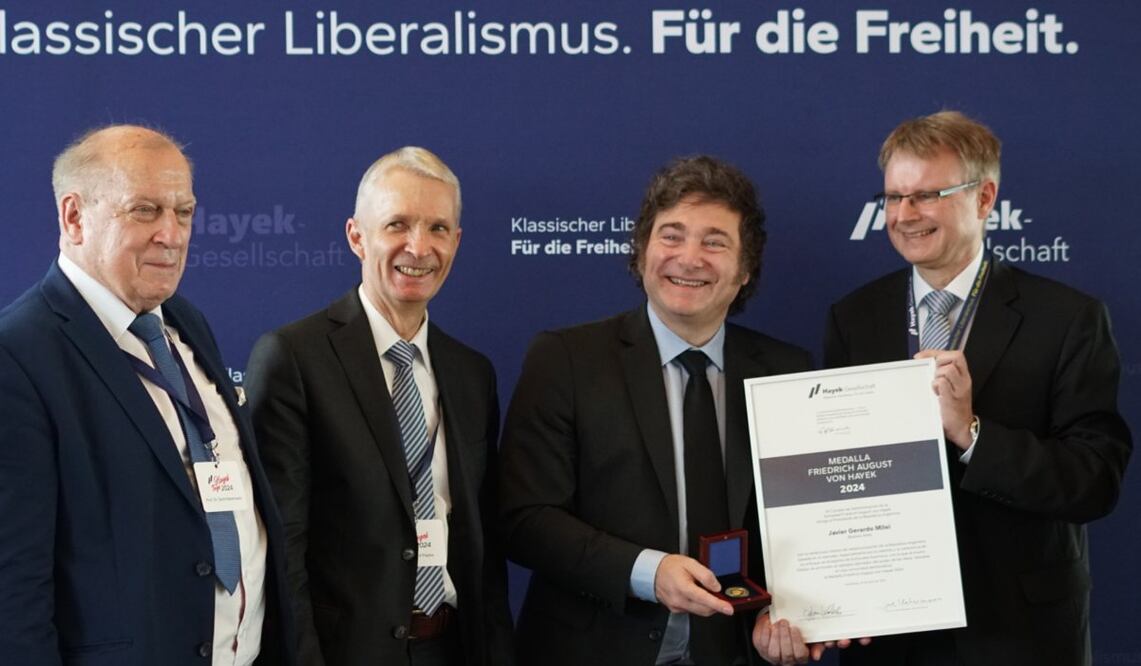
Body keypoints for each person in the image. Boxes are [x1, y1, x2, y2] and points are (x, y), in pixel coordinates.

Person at [825, 110, 1132, 665]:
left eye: (927, 195)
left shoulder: (1067, 318)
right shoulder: (854, 317)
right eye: (894, 197)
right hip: (891, 634)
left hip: (1020, 631)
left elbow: (1095, 482)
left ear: (985, 198)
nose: (905, 215)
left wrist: (972, 434)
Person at [499, 155, 824, 665]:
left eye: (714, 241)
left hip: (735, 654)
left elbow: (804, 522)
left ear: (744, 271)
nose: (689, 257)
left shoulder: (786, 371)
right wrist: (647, 572)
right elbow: (523, 519)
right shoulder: (565, 360)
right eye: (671, 235)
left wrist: (783, 612)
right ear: (642, 252)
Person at [0, 125, 295, 665]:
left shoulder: (184, 322)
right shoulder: (17, 357)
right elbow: (12, 593)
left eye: (183, 212)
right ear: (74, 217)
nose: (173, 234)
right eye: (145, 210)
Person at [245, 147, 513, 666]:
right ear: (356, 237)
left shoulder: (471, 372)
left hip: (452, 645)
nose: (419, 247)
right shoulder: (293, 358)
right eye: (397, 224)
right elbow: (283, 550)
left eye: (438, 228)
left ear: (455, 243)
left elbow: (484, 547)